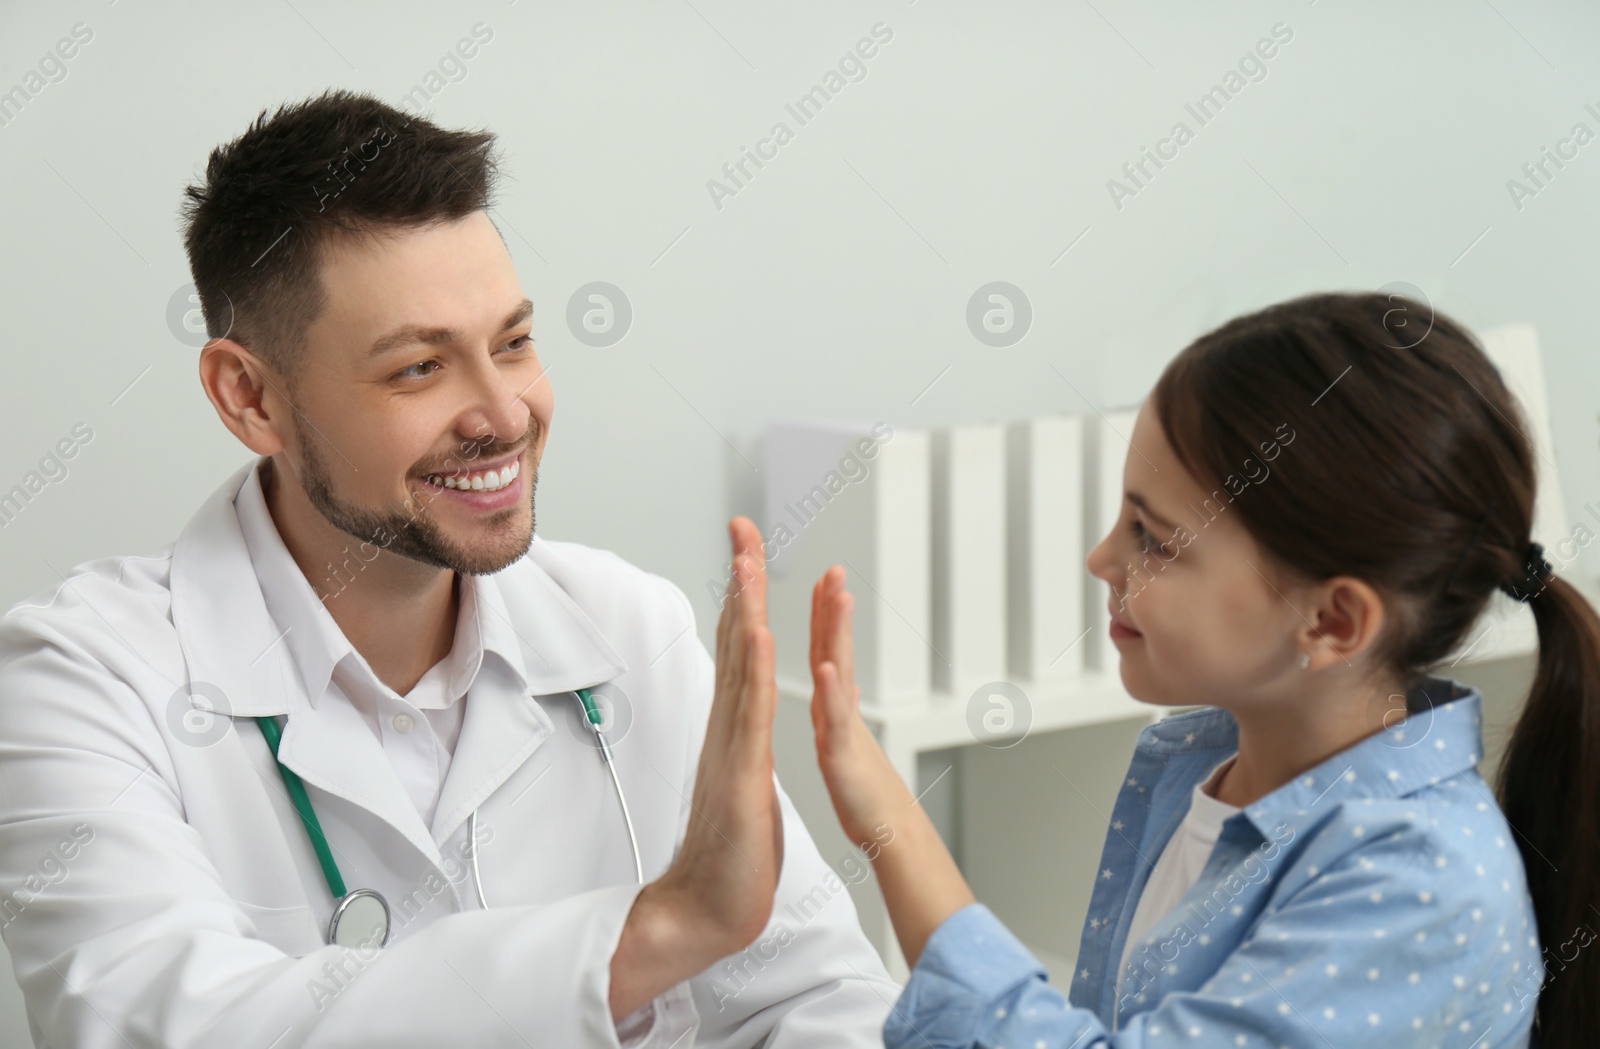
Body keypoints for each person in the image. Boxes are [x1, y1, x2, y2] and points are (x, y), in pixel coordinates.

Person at [0, 89, 898, 1047]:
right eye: (419, 368)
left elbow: (820, 1000)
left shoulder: (634, 629)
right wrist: (656, 933)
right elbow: (165, 1025)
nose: (504, 414)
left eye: (512, 343)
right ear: (249, 396)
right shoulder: (78, 680)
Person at [804, 292, 1598, 1047]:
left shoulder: (1420, 884)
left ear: (1331, 621)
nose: (1101, 557)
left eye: (1154, 537)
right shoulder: (1208, 767)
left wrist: (894, 826)